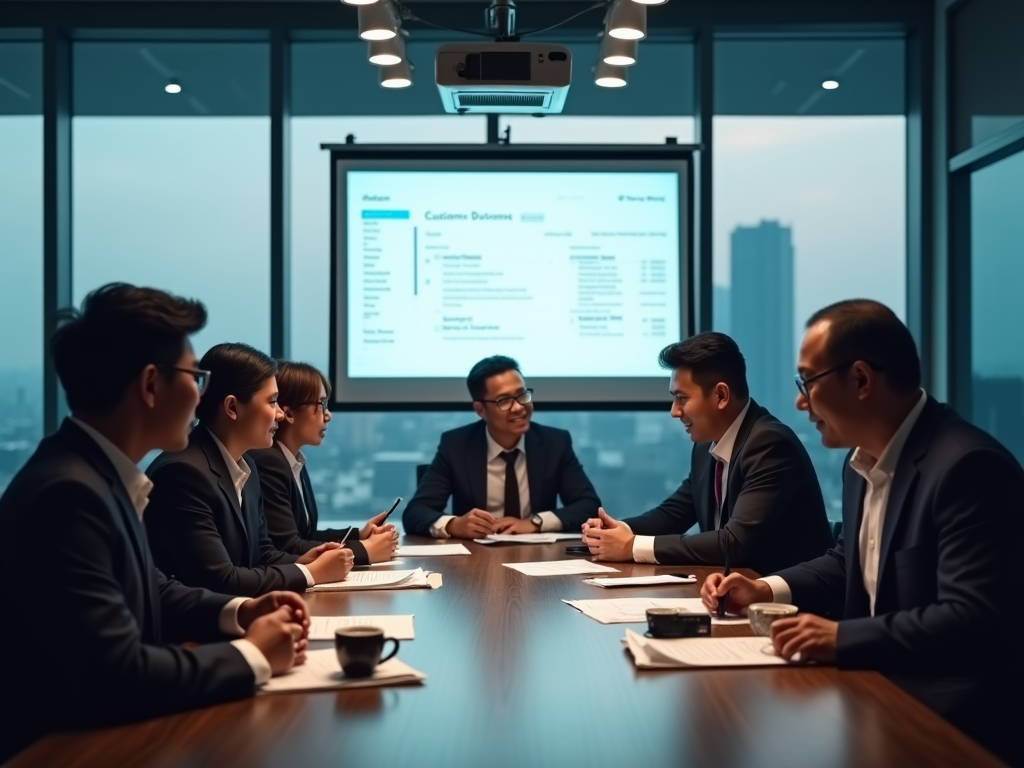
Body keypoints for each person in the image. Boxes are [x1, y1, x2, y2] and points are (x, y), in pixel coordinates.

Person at [701, 300, 1023, 765]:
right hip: (869, 694)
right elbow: (849, 561)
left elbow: (971, 618)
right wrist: (762, 588)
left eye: (806, 381)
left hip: (948, 724)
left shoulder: (967, 467)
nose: (799, 400)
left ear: (860, 380)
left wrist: (840, 638)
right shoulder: (860, 464)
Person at [0, 284, 309, 761]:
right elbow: (119, 675)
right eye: (195, 377)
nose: (200, 393)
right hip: (67, 749)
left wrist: (241, 612)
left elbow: (154, 588)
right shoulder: (68, 494)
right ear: (150, 385)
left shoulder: (94, 475)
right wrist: (253, 655)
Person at [582, 333, 834, 574]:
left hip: (790, 605)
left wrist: (632, 546)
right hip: (730, 593)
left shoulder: (770, 444)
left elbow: (734, 542)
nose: (675, 411)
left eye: (682, 398)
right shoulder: (706, 445)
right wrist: (618, 530)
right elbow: (673, 515)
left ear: (721, 395)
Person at [145, 343, 354, 596]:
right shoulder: (183, 474)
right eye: (273, 402)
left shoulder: (247, 467)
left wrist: (305, 562)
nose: (279, 414)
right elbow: (220, 580)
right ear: (232, 407)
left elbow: (262, 553)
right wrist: (313, 573)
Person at [402, 355, 600, 539]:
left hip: (537, 558)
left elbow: (588, 506)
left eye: (522, 395)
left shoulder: (554, 443)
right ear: (480, 409)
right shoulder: (456, 445)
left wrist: (535, 522)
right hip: (474, 560)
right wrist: (455, 525)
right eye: (504, 401)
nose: (519, 407)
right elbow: (416, 512)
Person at [248, 361, 397, 565]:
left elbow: (306, 535)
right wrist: (364, 551)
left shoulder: (293, 460)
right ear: (289, 413)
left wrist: (358, 535)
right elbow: (288, 546)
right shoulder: (269, 461)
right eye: (321, 405)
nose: (328, 415)